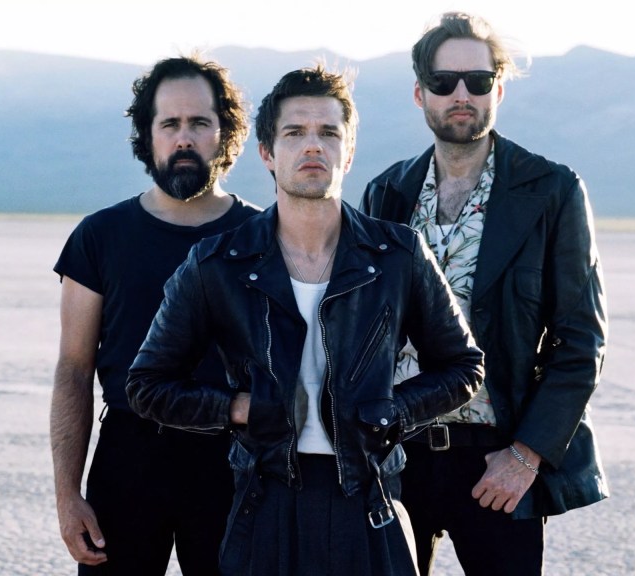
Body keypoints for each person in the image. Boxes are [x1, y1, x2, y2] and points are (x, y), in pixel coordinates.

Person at [126, 65, 485, 576]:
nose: (312, 146)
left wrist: (391, 411)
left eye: (328, 133)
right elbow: (147, 384)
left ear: (350, 150)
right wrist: (239, 408)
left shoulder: (398, 255)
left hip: (369, 496)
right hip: (264, 497)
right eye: (294, 133)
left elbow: (464, 367)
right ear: (268, 153)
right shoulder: (217, 264)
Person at [361, 12, 610, 576]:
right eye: (445, 82)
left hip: (497, 460)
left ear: (498, 87)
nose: (461, 94)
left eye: (477, 80)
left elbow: (581, 339)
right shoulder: (387, 193)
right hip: (398, 455)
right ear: (420, 92)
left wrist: (526, 456)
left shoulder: (550, 190)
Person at [50, 55, 260, 575]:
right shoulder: (100, 237)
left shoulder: (263, 238)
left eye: (199, 123)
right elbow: (74, 370)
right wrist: (66, 495)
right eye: (169, 124)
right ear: (149, 135)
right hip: (128, 458)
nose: (184, 137)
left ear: (224, 132)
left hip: (234, 461)